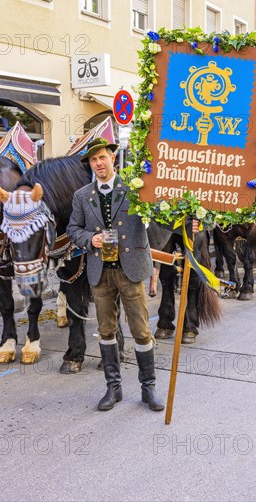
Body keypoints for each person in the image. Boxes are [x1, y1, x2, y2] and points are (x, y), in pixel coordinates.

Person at [66, 138, 164, 412]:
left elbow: (159, 215)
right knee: (106, 330)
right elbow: (73, 229)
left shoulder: (136, 189)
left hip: (130, 270)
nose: (98, 163)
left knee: (141, 331)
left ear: (113, 159)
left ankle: (149, 388)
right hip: (100, 273)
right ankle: (114, 388)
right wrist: (90, 239)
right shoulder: (82, 195)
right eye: (93, 160)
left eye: (102, 158)